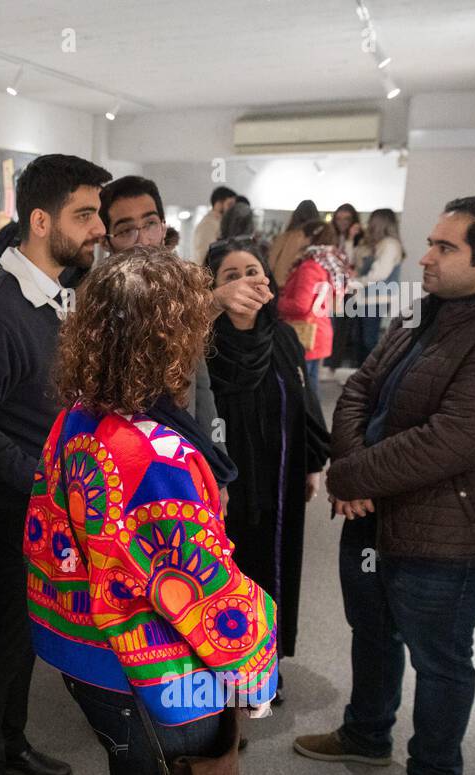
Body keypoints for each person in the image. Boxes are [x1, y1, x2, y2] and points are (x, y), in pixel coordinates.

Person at [295, 197, 475, 775]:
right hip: (375, 512)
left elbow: (453, 439)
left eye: (445, 247)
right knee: (372, 629)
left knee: (440, 660)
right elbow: (360, 387)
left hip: (452, 533)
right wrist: (353, 469)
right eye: (431, 242)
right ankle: (367, 732)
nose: (426, 255)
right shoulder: (424, 309)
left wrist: (350, 475)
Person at [26, 246, 278, 775]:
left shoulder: (76, 419)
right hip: (147, 671)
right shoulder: (154, 456)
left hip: (80, 652)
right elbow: (197, 588)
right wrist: (256, 668)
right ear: (172, 340)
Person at [0, 153, 109, 775]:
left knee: (23, 636)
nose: (97, 228)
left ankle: (8, 743)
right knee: (2, 638)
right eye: (85, 214)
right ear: (41, 221)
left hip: (39, 506)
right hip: (9, 507)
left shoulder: (50, 295)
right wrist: (48, 483)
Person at [205, 238, 330, 686]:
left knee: (269, 572)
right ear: (212, 288)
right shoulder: (199, 342)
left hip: (277, 482)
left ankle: (262, 668)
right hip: (217, 486)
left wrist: (313, 462)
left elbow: (305, 399)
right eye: (231, 275)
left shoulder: (280, 337)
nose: (246, 282)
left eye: (253, 271)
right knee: (220, 578)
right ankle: (217, 674)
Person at [98, 175, 233, 491]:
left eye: (150, 224)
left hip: (186, 460)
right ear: (106, 241)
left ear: (163, 225)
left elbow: (201, 386)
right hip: (123, 472)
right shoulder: (94, 303)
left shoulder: (181, 290)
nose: (143, 239)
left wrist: (217, 465)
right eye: (126, 230)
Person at [277, 220, 353, 384]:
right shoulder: (331, 263)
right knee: (310, 387)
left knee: (305, 390)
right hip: (318, 331)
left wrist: (277, 303)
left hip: (306, 333)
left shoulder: (310, 266)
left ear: (309, 237)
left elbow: (300, 305)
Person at [346, 208, 406, 366]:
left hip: (376, 298)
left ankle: (368, 375)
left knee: (368, 339)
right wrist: (351, 239)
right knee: (358, 338)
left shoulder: (390, 245)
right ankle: (359, 373)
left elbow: (379, 274)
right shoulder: (373, 244)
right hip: (364, 297)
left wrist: (354, 282)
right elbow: (351, 261)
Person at [326, 203, 365, 370]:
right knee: (329, 326)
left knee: (342, 329)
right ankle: (326, 362)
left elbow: (352, 262)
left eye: (347, 219)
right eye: (339, 218)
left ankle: (333, 364)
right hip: (330, 288)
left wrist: (350, 238)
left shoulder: (359, 239)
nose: (342, 222)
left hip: (348, 290)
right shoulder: (330, 236)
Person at [268, 199, 321, 287]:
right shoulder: (317, 240)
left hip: (279, 286)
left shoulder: (283, 238)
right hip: (304, 287)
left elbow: (271, 264)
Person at [192, 185, 237, 265]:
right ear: (218, 204)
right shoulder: (208, 223)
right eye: (230, 204)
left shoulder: (219, 223)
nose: (232, 209)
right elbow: (205, 256)